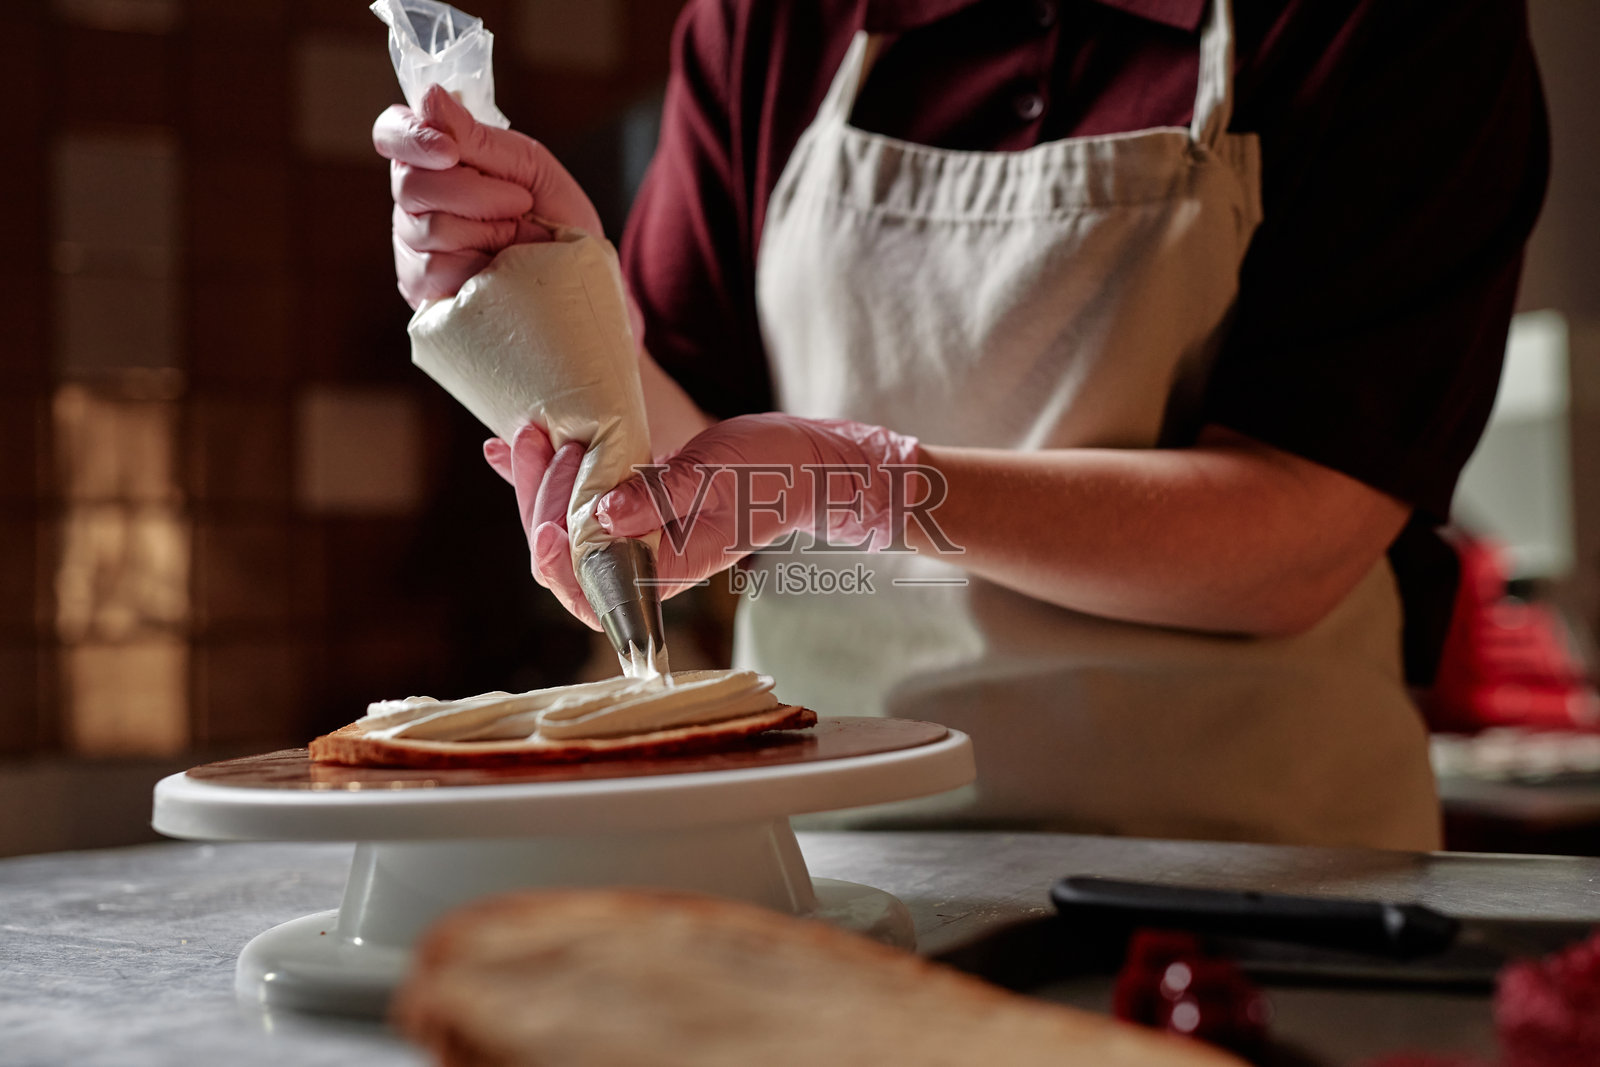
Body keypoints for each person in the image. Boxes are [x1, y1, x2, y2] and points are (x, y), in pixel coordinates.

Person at [373, 0, 1549, 849]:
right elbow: (685, 472)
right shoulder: (771, 22)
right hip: (843, 860)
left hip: (1256, 871)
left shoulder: (1386, 24)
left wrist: (862, 479)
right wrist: (540, 293)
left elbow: (1302, 536)